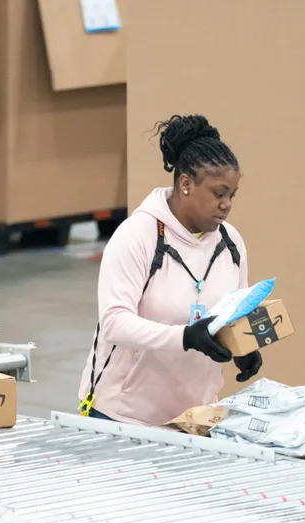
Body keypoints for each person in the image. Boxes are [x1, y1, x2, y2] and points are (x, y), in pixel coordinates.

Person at [78, 114, 261, 425]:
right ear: (186, 183)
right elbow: (114, 323)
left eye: (232, 195)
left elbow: (236, 312)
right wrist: (186, 337)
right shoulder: (137, 235)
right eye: (218, 193)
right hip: (123, 416)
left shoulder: (232, 243)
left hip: (193, 418)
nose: (227, 204)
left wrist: (244, 346)